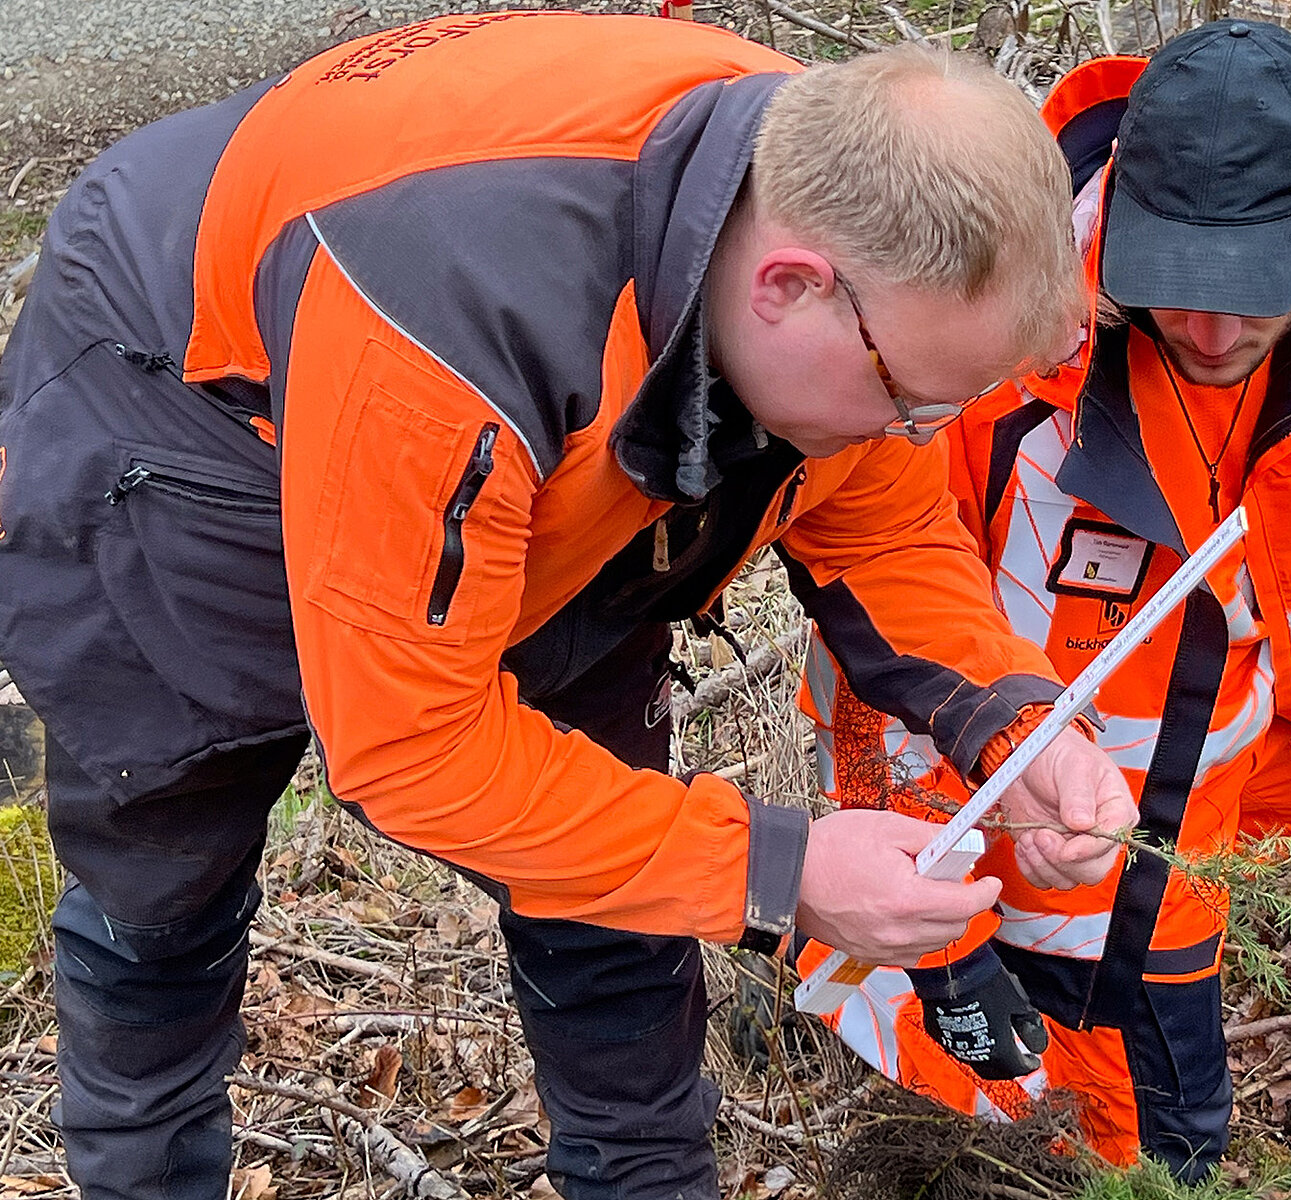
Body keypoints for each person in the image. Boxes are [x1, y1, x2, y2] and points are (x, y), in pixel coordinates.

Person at [0, 13, 1142, 1199]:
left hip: (546, 443)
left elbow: (886, 522)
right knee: (166, 885)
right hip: (183, 421)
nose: (913, 435)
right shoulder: (452, 327)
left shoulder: (855, 209)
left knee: (618, 875)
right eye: (910, 402)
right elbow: (409, 751)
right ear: (788, 289)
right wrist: (778, 866)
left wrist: (1019, 721)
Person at [797, 20, 1291, 1181]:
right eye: (1175, 283)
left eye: (1248, 291)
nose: (1208, 331)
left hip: (1200, 789)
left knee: (1168, 1128)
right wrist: (925, 887)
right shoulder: (992, 316)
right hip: (1002, 798)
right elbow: (881, 608)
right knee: (986, 1089)